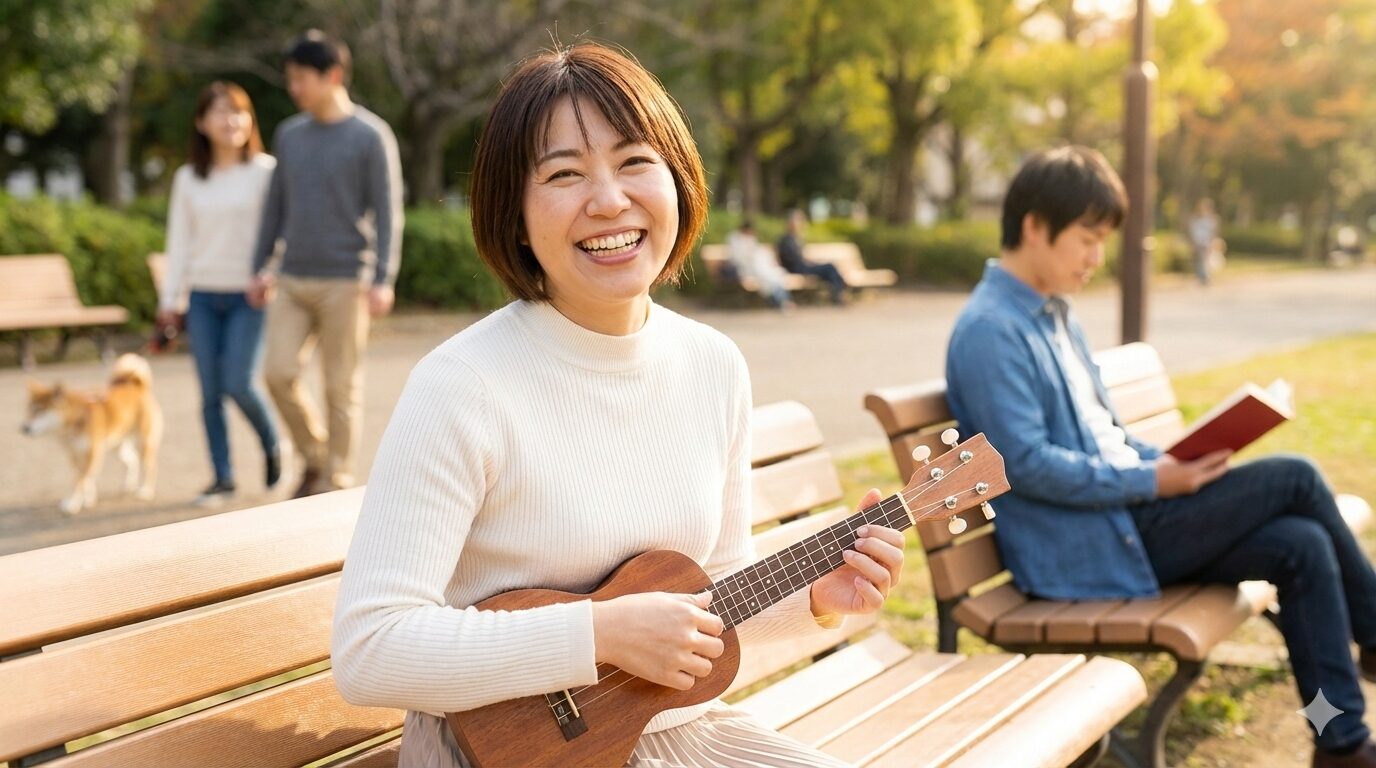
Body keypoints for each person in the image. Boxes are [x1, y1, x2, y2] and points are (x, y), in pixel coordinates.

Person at [331, 43, 905, 767]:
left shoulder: (712, 365)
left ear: (679, 181)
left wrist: (818, 596)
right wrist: (596, 634)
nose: (608, 199)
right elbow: (369, 650)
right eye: (565, 173)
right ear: (514, 212)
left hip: (675, 737)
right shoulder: (463, 386)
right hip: (498, 754)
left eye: (635, 161)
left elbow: (709, 602)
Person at [945, 146, 1376, 768]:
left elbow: (1108, 436)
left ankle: (1337, 737)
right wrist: (1155, 479)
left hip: (1127, 521)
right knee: (1297, 477)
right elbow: (1024, 466)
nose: (1098, 258)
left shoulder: (1056, 318)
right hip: (1092, 546)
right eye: (1088, 240)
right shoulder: (992, 330)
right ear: (1035, 227)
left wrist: (1181, 459)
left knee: (1301, 547)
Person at [248, 29, 403, 498]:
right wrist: (260, 266)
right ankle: (315, 456)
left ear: (332, 76)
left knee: (341, 388)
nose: (293, 88)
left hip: (346, 282)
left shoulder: (370, 136)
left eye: (301, 78)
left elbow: (388, 209)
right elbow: (274, 208)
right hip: (292, 278)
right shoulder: (289, 135)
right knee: (276, 374)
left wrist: (383, 278)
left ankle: (334, 483)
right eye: (290, 78)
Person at [159, 81, 282, 505]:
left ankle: (271, 443)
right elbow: (179, 243)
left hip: (250, 297)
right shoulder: (189, 178)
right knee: (210, 393)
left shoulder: (267, 171)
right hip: (203, 298)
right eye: (220, 112)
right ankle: (223, 477)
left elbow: (281, 234)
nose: (231, 120)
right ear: (201, 122)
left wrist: (270, 274)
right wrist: (169, 301)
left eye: (239, 111)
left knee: (239, 383)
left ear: (250, 119)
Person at [776, 209, 849, 305]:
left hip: (802, 267)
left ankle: (838, 290)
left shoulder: (795, 238)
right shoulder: (786, 240)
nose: (800, 224)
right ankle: (839, 290)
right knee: (829, 267)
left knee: (829, 269)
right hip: (797, 269)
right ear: (791, 223)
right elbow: (792, 259)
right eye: (798, 221)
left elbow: (799, 257)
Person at [726, 220, 795, 310]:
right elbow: (737, 258)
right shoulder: (735, 238)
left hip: (757, 268)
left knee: (772, 277)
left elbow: (756, 253)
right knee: (770, 277)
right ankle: (783, 301)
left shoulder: (750, 238)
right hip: (746, 269)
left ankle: (781, 301)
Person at [1187, 197, 1222, 286]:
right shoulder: (1195, 219)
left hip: (1206, 243)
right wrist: (1192, 243)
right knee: (1198, 261)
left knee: (1204, 260)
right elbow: (1192, 232)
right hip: (1197, 242)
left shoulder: (1212, 220)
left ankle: (1205, 278)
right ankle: (1201, 278)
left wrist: (1213, 242)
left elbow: (1214, 233)